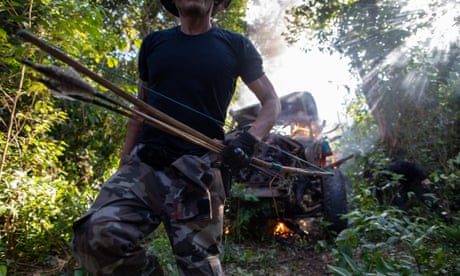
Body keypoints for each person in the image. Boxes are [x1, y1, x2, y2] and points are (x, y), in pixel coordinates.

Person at [71, 0, 281, 275]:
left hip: (199, 170)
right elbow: (140, 107)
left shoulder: (236, 45)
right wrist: (125, 159)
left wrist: (248, 140)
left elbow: (271, 101)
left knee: (201, 270)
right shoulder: (154, 43)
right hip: (146, 164)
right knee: (93, 236)